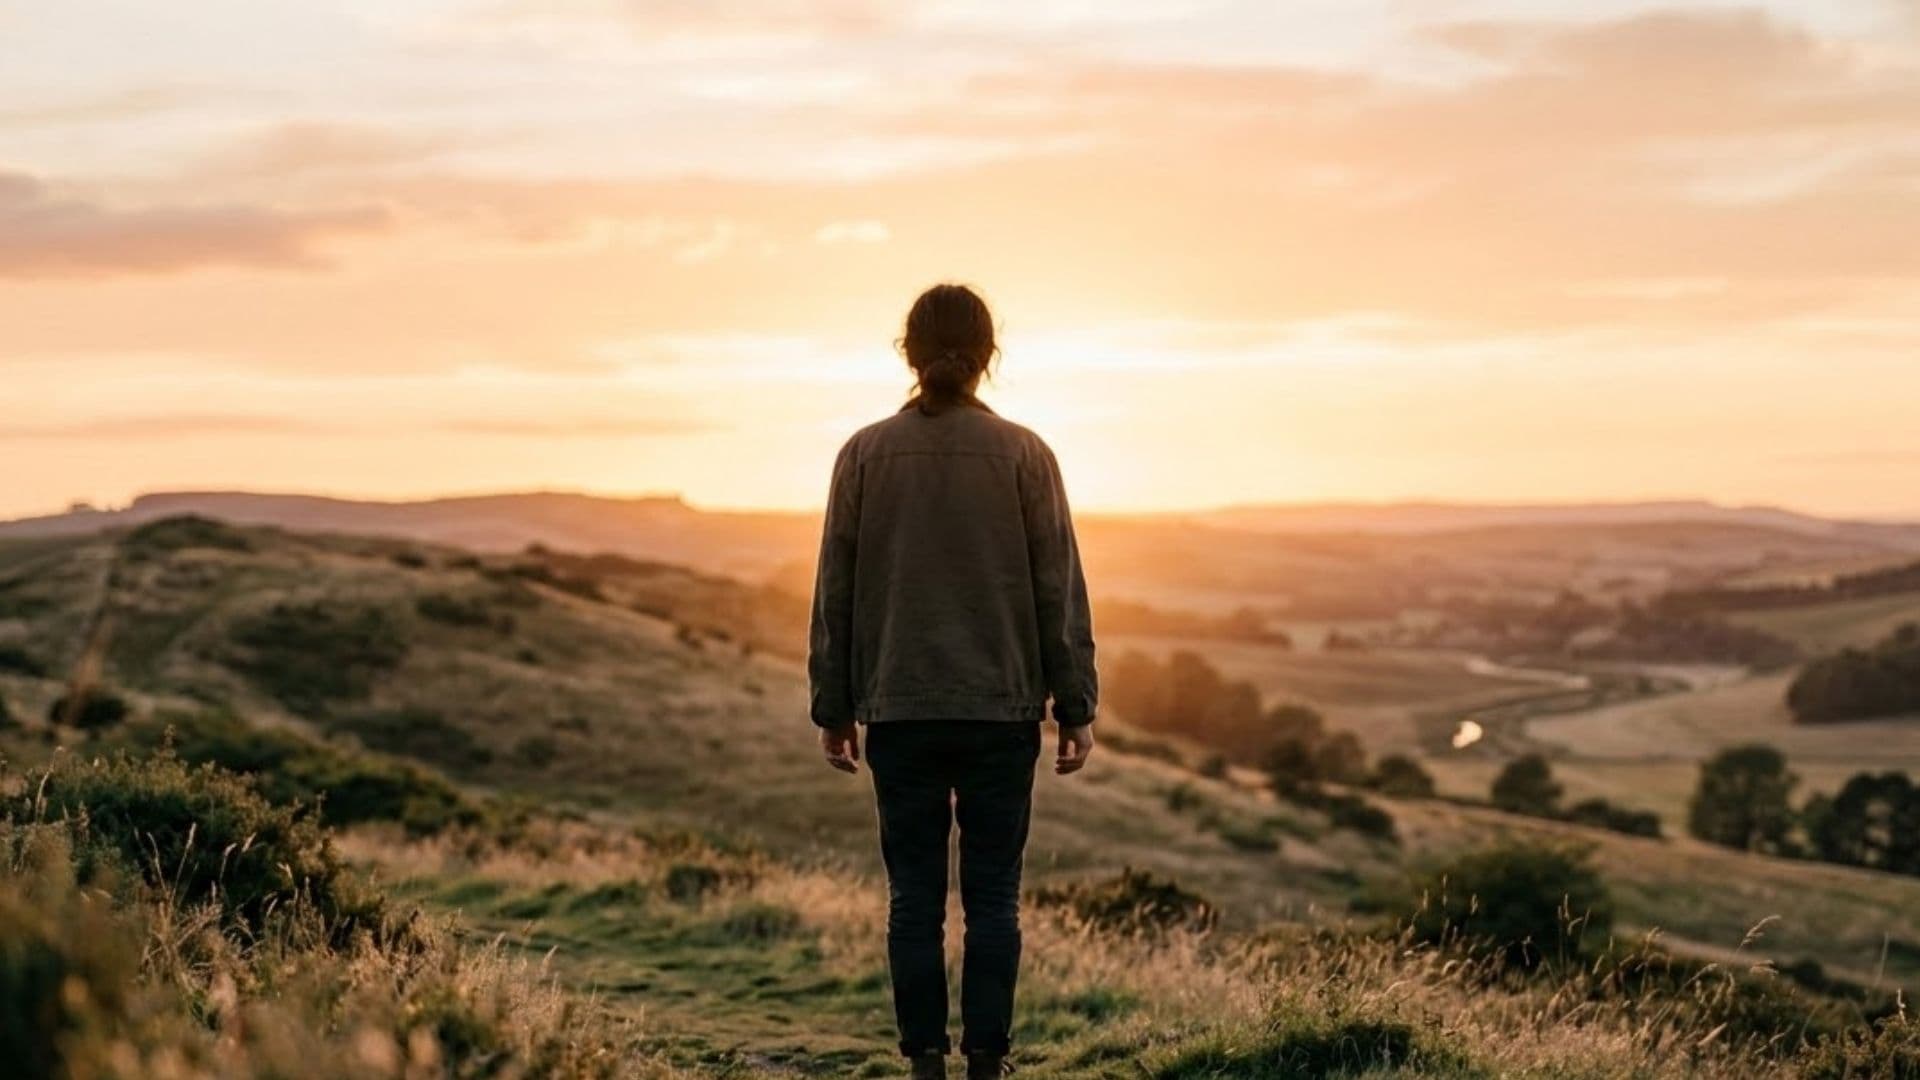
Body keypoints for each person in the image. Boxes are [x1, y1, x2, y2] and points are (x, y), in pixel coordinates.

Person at [807, 283, 1099, 1079]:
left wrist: (832, 707)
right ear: (988, 355)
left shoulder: (863, 454)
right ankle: (986, 1065)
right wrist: (1075, 707)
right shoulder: (1027, 455)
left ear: (907, 350)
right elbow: (1056, 590)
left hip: (898, 711)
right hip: (1002, 714)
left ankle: (925, 1065)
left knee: (914, 902)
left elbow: (836, 589)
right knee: (995, 901)